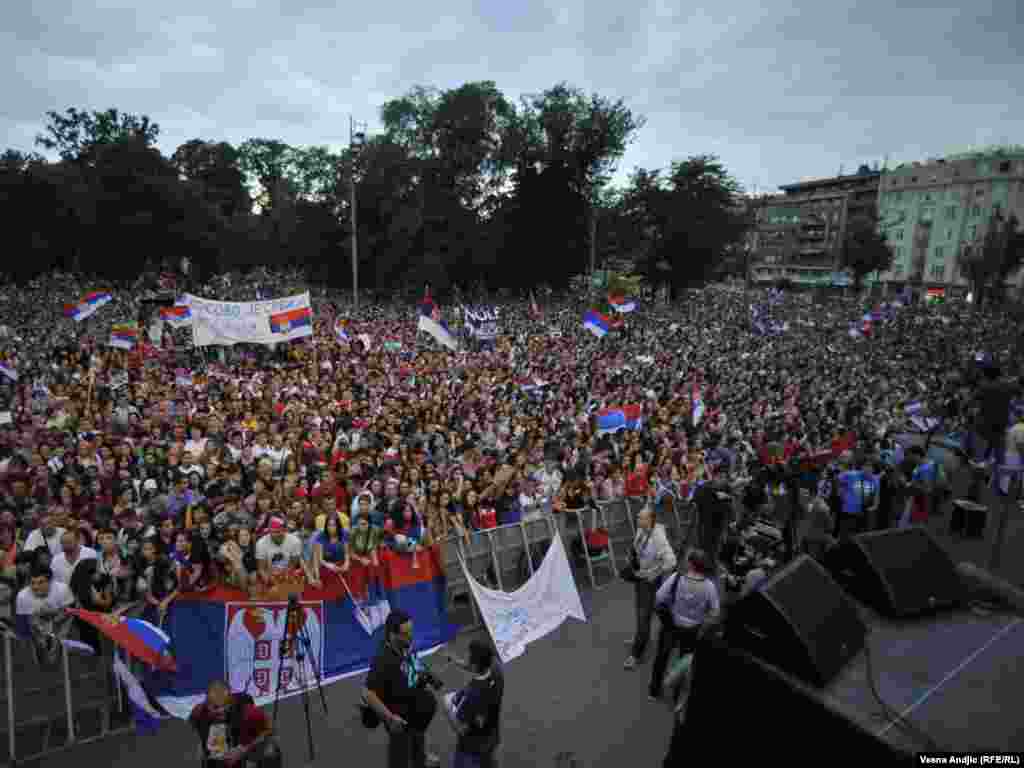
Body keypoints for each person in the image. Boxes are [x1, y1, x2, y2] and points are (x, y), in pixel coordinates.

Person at [362, 609, 441, 768]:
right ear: (393, 635)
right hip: (400, 720)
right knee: (400, 756)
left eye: (411, 631)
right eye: (406, 633)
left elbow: (414, 663)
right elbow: (367, 693)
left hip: (415, 715)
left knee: (418, 740)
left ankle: (420, 757)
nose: (410, 636)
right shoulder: (383, 659)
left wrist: (428, 675)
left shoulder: (405, 645)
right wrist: (390, 718)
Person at [648, 549, 720, 703]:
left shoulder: (677, 578)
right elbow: (715, 613)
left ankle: (654, 690)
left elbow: (659, 597)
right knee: (682, 662)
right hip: (692, 630)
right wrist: (703, 620)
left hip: (671, 625)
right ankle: (676, 696)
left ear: (691, 564)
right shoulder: (709, 586)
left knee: (662, 657)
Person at [624, 506, 676, 670]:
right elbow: (638, 548)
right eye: (638, 516)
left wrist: (654, 572)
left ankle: (636, 654)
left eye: (640, 517)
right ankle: (641, 637)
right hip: (641, 578)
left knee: (643, 615)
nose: (637, 519)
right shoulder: (641, 530)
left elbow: (671, 561)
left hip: (649, 581)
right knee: (643, 611)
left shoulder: (658, 537)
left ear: (650, 520)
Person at [444, 640, 504, 768]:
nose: (467, 657)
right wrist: (455, 661)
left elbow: (460, 729)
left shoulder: (471, 694)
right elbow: (475, 666)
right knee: (488, 761)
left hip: (471, 748)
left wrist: (447, 707)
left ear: (475, 664)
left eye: (469, 656)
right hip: (492, 735)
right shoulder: (497, 672)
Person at [190, 680, 274, 767]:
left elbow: (269, 731)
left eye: (225, 705)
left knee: (270, 753)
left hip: (246, 753)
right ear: (206, 703)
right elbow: (197, 730)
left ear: (231, 701)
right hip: (215, 758)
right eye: (215, 707)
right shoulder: (198, 713)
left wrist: (245, 749)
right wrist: (202, 743)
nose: (220, 710)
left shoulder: (248, 712)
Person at [15, 563, 74, 664]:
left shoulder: (62, 589)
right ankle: (42, 649)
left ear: (51, 581)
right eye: (32, 583)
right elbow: (23, 627)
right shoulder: (22, 596)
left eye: (40, 582)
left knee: (58, 637)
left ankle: (57, 650)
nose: (35, 587)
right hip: (36, 622)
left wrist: (55, 623)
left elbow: (70, 611)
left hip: (60, 618)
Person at [254, 517, 302, 587]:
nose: (275, 535)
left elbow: (293, 564)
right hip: (269, 575)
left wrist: (285, 577)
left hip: (287, 574)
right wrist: (269, 581)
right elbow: (261, 569)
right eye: (273, 532)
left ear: (285, 530)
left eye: (279, 531)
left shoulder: (295, 541)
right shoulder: (261, 543)